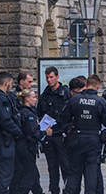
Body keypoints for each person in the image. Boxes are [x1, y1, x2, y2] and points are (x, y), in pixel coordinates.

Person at [61, 74, 106, 194]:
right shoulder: (101, 102)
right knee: (91, 171)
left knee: (74, 171)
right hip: (93, 140)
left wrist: (69, 130)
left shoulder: (74, 100)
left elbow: (64, 118)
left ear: (86, 85)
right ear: (98, 86)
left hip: (77, 139)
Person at [10, 89, 52, 194]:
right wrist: (45, 133)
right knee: (28, 173)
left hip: (20, 146)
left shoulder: (20, 111)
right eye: (33, 97)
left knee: (31, 172)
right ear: (27, 99)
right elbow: (33, 132)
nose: (35, 99)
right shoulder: (28, 114)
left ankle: (37, 191)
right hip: (27, 147)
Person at [37, 66, 71, 194]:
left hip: (61, 134)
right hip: (49, 135)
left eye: (51, 77)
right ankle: (54, 190)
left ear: (57, 77)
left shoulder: (64, 92)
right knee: (52, 166)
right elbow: (39, 113)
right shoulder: (44, 96)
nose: (49, 80)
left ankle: (68, 189)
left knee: (65, 165)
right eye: (47, 77)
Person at [0, 72, 23, 194]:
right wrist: (19, 131)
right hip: (4, 139)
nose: (11, 87)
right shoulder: (2, 99)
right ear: (6, 83)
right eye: (11, 84)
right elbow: (5, 120)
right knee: (5, 172)